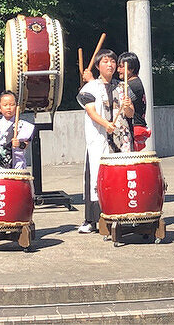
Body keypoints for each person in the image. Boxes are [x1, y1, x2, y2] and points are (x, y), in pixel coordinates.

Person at [76, 49, 134, 233]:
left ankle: (120, 214)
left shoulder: (122, 86)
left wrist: (128, 107)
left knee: (119, 176)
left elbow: (130, 114)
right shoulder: (90, 88)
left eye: (112, 62)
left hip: (120, 139)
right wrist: (106, 124)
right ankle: (92, 220)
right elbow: (91, 111)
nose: (110, 65)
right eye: (106, 61)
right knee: (96, 174)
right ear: (98, 66)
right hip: (100, 137)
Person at [0, 91, 35, 169]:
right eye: (5, 105)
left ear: (17, 107)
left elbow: (26, 144)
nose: (8, 108)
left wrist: (19, 144)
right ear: (0, 108)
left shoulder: (23, 125)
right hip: (0, 166)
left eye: (12, 105)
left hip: (18, 165)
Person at [118, 52, 150, 151]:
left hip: (134, 128)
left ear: (131, 69)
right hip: (139, 127)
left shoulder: (131, 85)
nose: (118, 70)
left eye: (122, 67)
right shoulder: (137, 82)